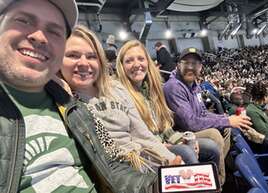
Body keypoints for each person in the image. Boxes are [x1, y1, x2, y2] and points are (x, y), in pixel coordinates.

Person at [0, 1, 156, 193]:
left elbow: (112, 166)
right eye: (23, 20)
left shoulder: (73, 107)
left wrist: (161, 186)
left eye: (54, 31)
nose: (40, 37)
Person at [59, 25, 182, 171]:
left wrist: (172, 159)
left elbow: (142, 134)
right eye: (73, 55)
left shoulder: (116, 89)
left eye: (92, 56)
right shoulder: (64, 100)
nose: (84, 63)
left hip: (144, 160)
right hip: (119, 172)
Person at [116, 40, 226, 183]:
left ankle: (215, 185)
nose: (137, 64)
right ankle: (200, 186)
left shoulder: (151, 89)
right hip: (147, 150)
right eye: (129, 60)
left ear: (148, 62)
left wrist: (181, 139)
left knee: (211, 148)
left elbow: (165, 127)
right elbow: (137, 135)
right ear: (122, 66)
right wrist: (165, 145)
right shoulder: (121, 94)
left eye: (141, 59)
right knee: (188, 152)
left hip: (165, 141)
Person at [163, 47, 253, 184]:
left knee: (227, 128)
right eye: (186, 63)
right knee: (213, 134)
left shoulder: (194, 84)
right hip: (179, 133)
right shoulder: (173, 87)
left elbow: (203, 113)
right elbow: (190, 123)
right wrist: (227, 120)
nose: (190, 68)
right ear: (178, 65)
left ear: (200, 68)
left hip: (191, 127)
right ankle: (218, 183)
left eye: (195, 64)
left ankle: (214, 172)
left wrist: (226, 119)